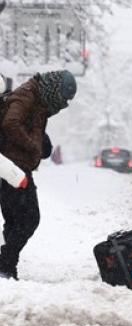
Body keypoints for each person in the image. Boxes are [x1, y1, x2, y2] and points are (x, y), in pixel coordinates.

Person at [0, 70, 76, 279]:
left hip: (16, 165)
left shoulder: (39, 98)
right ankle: (4, 263)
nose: (64, 105)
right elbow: (10, 123)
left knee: (15, 220)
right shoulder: (27, 95)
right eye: (64, 98)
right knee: (29, 219)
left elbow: (25, 123)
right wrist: (33, 146)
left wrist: (41, 139)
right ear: (55, 89)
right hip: (12, 168)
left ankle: (7, 268)